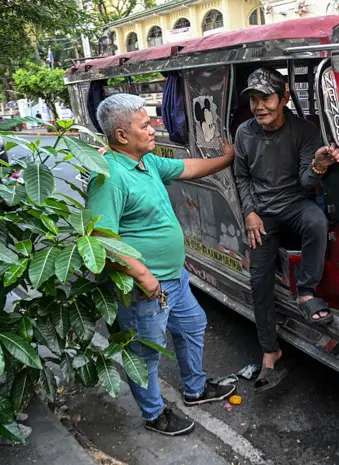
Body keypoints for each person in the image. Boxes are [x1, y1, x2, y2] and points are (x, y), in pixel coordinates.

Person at [86, 93, 236, 436]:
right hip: (145, 286)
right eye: (145, 124)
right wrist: (142, 275)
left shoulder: (147, 162)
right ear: (122, 136)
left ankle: (195, 389)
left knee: (192, 325)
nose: (155, 128)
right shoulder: (108, 175)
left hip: (174, 279)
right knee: (144, 354)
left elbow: (190, 168)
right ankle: (154, 415)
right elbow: (100, 237)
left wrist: (226, 159)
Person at [233, 68, 339, 392]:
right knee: (258, 281)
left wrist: (319, 165)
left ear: (283, 98)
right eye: (253, 99)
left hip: (295, 204)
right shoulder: (244, 133)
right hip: (263, 215)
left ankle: (306, 291)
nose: (259, 106)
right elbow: (242, 177)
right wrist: (250, 213)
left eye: (266, 98)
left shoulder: (304, 131)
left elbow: (309, 184)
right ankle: (270, 350)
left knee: (317, 222)